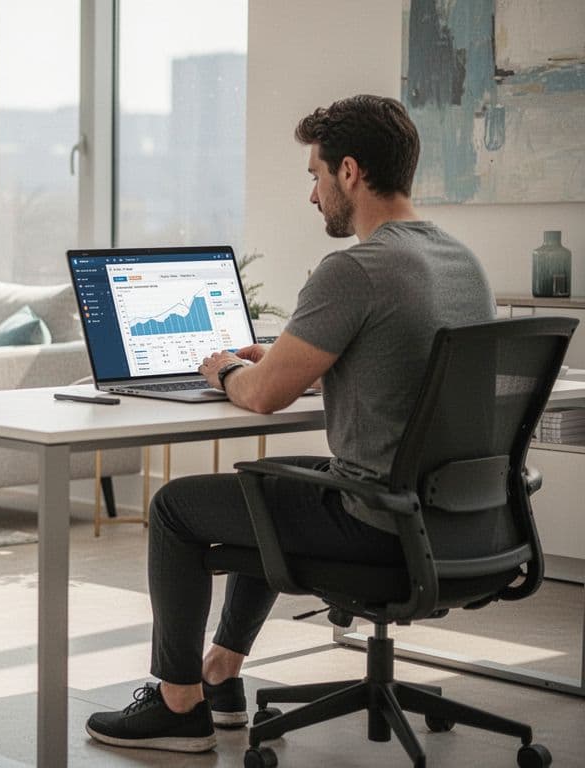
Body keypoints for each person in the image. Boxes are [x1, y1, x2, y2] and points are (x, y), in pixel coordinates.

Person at [84, 95, 495, 753]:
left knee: (173, 509)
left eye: (315, 174)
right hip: (459, 519)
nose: (312, 194)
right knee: (264, 489)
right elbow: (391, 352)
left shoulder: (356, 268)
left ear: (351, 172)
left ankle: (178, 704)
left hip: (378, 524)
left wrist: (221, 368)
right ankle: (221, 669)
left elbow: (264, 397)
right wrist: (287, 353)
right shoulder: (460, 261)